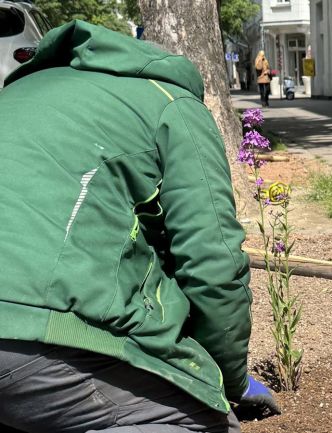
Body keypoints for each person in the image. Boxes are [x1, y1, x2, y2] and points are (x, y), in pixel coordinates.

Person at [0, 21, 279, 432]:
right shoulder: (172, 102)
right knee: (200, 424)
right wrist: (227, 379)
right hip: (29, 340)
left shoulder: (17, 94)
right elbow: (214, 264)